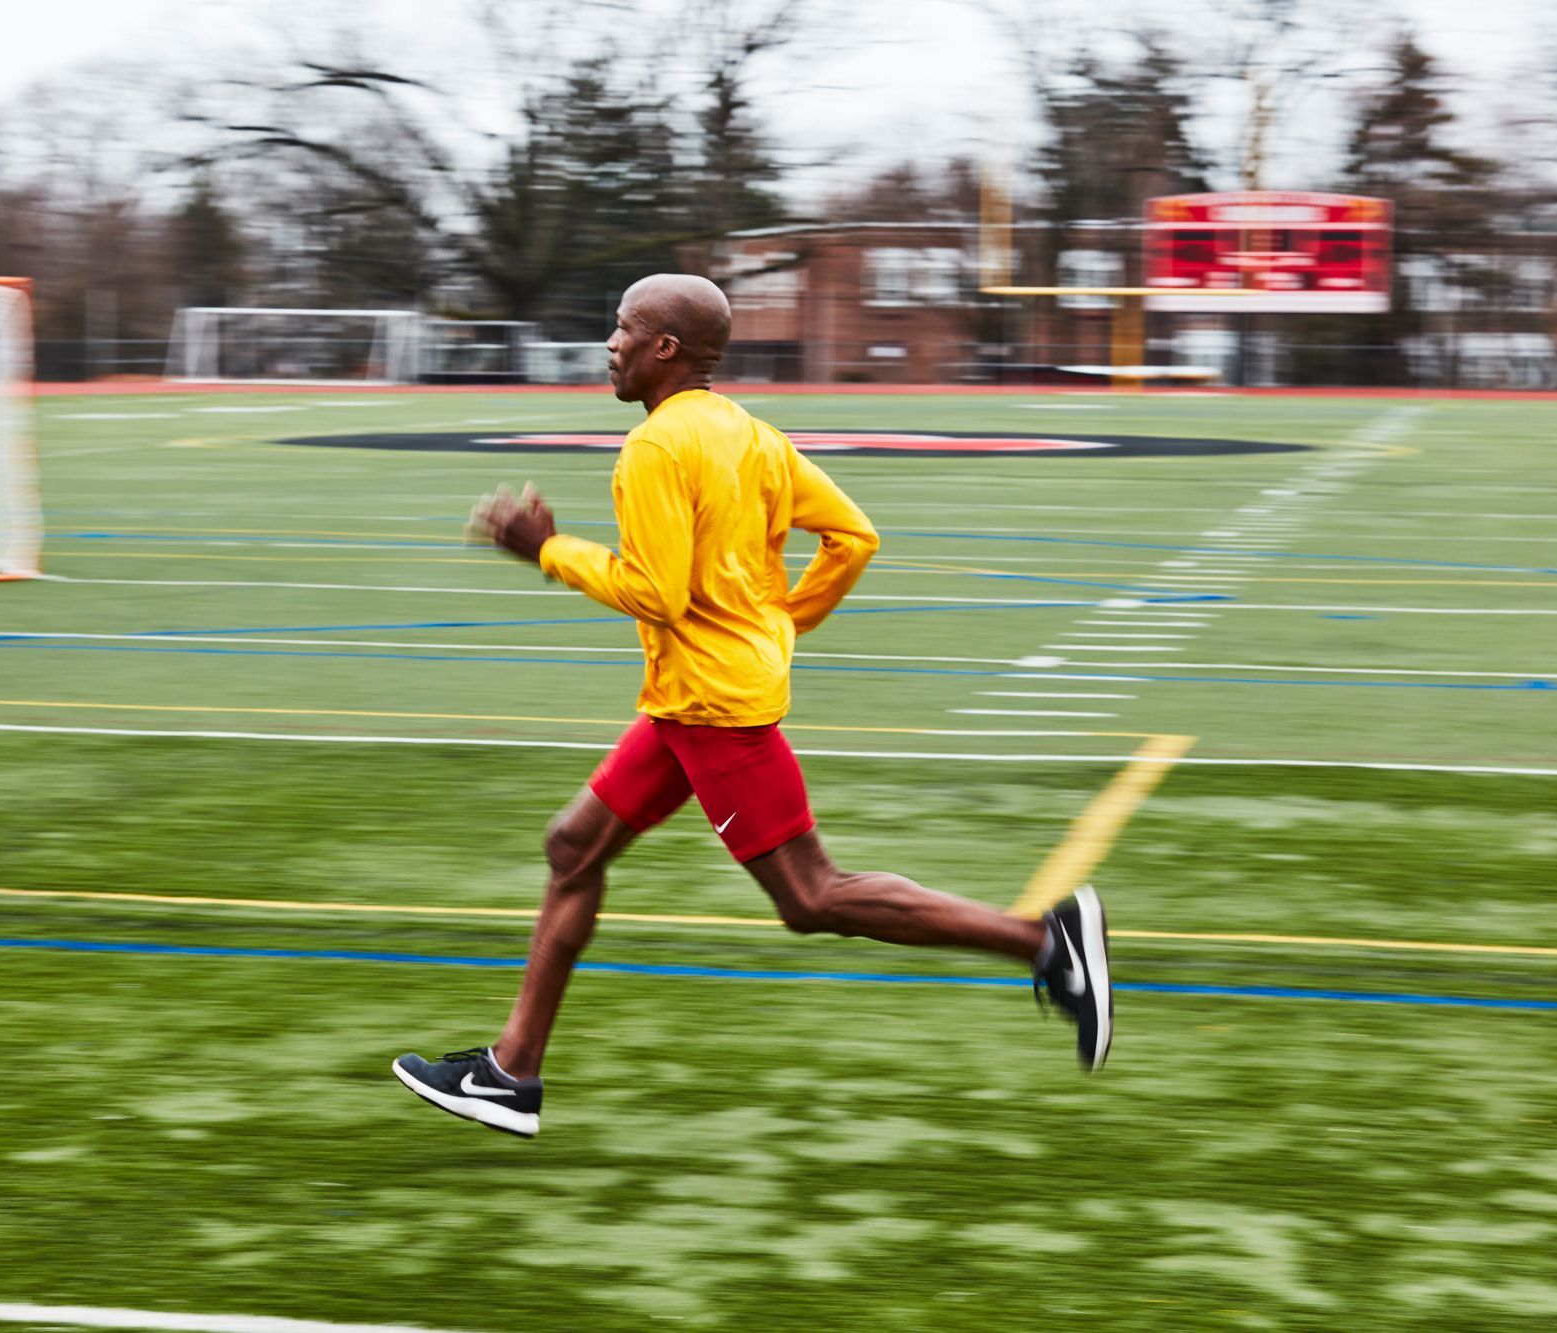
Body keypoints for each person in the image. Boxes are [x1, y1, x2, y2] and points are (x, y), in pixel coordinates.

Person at [393, 274, 1110, 1138]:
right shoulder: (754, 436)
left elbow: (654, 591)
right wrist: (778, 623)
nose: (610, 343)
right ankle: (512, 1071)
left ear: (666, 349)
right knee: (572, 845)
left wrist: (548, 550)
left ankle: (1044, 942)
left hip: (713, 707)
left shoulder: (658, 447)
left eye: (624, 329)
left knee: (812, 897)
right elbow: (855, 537)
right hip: (694, 697)